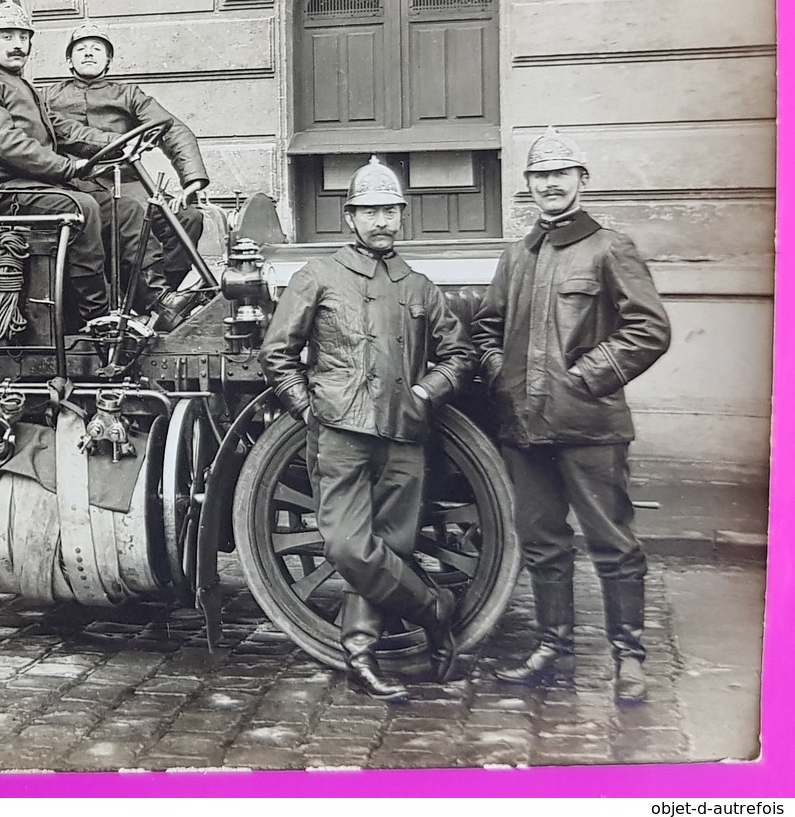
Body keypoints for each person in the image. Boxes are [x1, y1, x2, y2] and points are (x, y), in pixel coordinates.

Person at [258, 157, 475, 702]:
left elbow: (460, 354)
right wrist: (309, 408)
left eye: (390, 211)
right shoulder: (318, 276)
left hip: (404, 434)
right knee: (349, 547)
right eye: (370, 211)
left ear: (401, 217)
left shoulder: (420, 288)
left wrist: (427, 391)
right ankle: (436, 609)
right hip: (340, 434)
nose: (381, 220)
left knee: (392, 548)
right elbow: (277, 353)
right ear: (350, 217)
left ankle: (360, 656)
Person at [470, 127, 672, 705]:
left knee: (613, 543)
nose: (550, 184)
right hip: (523, 429)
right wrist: (501, 375)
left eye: (561, 174)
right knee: (542, 542)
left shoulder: (611, 248)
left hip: (590, 427)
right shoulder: (518, 254)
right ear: (528, 186)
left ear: (582, 181)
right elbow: (487, 328)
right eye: (539, 176)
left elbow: (650, 330)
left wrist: (585, 378)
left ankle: (628, 658)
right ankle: (551, 647)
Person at [0, 0, 146, 333]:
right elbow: (10, 146)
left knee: (125, 209)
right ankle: (95, 317)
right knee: (84, 205)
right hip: (2, 191)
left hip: (37, 187)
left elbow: (65, 129)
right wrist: (69, 168)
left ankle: (147, 303)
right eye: (6, 37)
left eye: (22, 37)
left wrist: (116, 142)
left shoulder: (26, 87)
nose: (17, 45)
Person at [42, 21, 209, 292]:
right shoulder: (48, 97)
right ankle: (151, 299)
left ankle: (162, 295)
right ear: (69, 61)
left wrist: (192, 181)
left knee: (188, 218)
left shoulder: (129, 94)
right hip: (77, 184)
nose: (88, 53)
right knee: (130, 219)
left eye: (97, 48)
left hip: (130, 183)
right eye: (80, 49)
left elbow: (172, 128)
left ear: (109, 59)